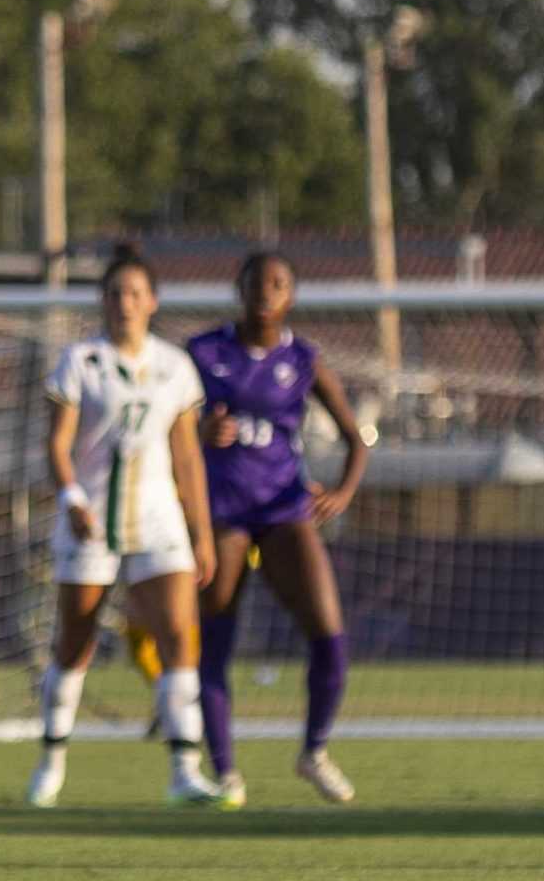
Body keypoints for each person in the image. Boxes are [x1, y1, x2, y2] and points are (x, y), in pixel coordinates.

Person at [26, 246, 222, 811]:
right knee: (75, 642)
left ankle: (185, 770)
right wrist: (70, 497)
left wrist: (201, 531)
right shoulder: (79, 361)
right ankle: (51, 762)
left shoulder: (175, 366)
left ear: (152, 302)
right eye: (115, 294)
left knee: (181, 636)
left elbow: (187, 457)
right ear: (103, 302)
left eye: (135, 293)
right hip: (91, 523)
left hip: (159, 521)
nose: (125, 304)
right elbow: (58, 444)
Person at [188, 251, 368, 807]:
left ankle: (314, 750)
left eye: (279, 283)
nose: (266, 291)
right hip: (223, 513)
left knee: (329, 633)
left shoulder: (305, 360)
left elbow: (355, 437)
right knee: (214, 635)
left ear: (291, 295)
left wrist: (341, 492)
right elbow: (170, 422)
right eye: (257, 281)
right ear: (237, 288)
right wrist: (201, 428)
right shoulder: (203, 352)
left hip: (285, 509)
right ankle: (225, 771)